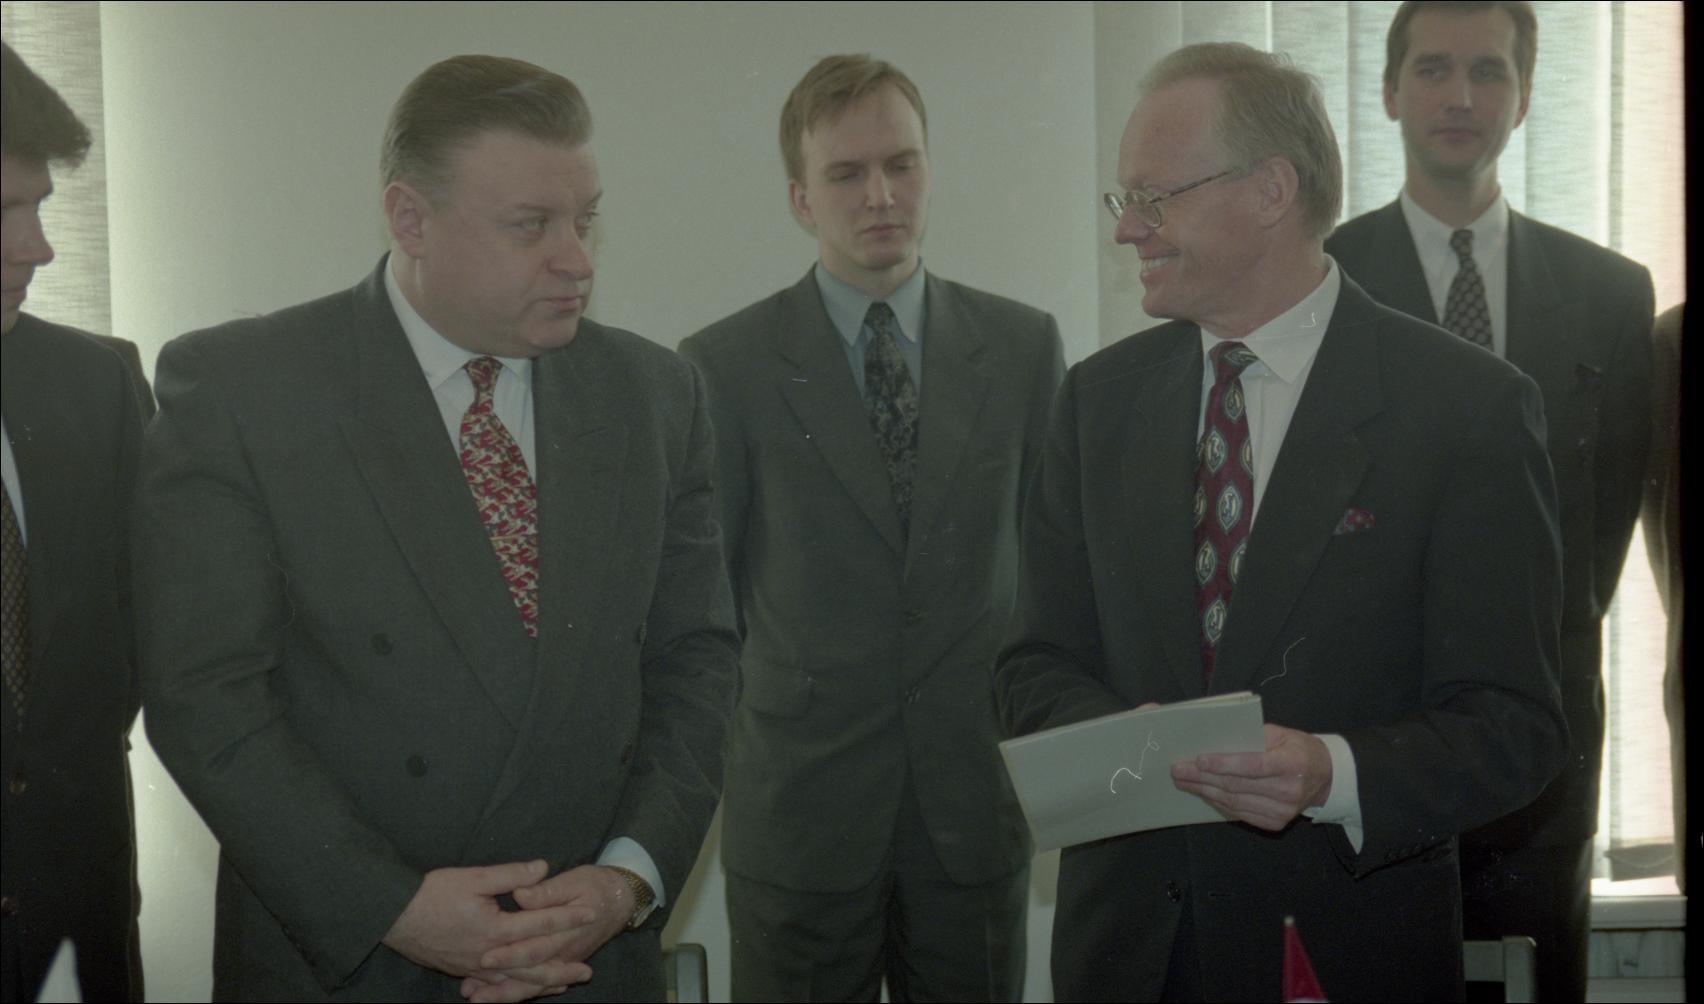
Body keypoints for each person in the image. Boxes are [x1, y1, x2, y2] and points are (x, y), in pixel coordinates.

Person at [134, 55, 739, 1003]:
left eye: (585, 219)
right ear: (410, 219)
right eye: (531, 226)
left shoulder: (655, 395)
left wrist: (628, 879)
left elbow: (697, 662)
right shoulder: (247, 390)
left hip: (585, 956)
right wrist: (390, 907)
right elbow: (205, 697)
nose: (577, 259)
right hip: (347, 956)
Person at [995, 42, 1568, 1001]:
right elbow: (1033, 664)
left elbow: (1515, 726)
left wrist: (1328, 773)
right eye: (1123, 200)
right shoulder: (1095, 403)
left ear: (1271, 190)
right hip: (1129, 955)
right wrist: (1127, 745)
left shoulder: (1466, 408)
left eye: (1153, 198)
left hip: (1342, 950)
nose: (1128, 229)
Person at [679, 54, 1062, 1002]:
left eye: (902, 164)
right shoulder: (724, 365)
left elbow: (1055, 581)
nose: (880, 195)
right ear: (801, 198)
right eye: (846, 173)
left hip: (973, 813)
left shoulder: (1023, 348)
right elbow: (707, 611)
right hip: (799, 820)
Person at [1324, 5, 1655, 996]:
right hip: (1369, 738)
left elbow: (1601, 532)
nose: (1460, 96)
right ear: (1390, 92)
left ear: (1524, 96)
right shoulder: (1324, 281)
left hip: (1545, 741)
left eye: (1489, 71)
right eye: (1432, 69)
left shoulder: (1611, 293)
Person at [1, 40, 146, 1004]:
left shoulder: (100, 385)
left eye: (40, 207)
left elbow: (154, 647)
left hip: (78, 928)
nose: (39, 248)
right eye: (1, 214)